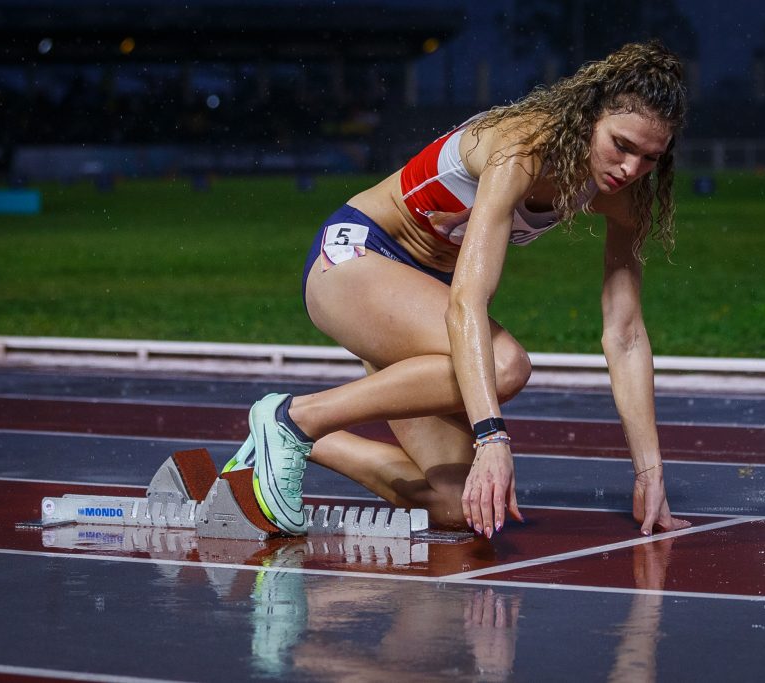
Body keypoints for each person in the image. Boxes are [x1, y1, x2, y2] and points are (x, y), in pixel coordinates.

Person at [225, 40, 692, 539]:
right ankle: (292, 420)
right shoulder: (522, 149)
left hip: (417, 300)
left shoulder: (623, 199)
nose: (630, 169)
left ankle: (288, 440)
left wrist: (649, 472)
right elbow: (468, 301)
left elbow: (624, 335)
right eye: (621, 145)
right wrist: (492, 438)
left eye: (649, 157)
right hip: (353, 260)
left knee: (459, 506)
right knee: (507, 363)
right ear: (589, 116)